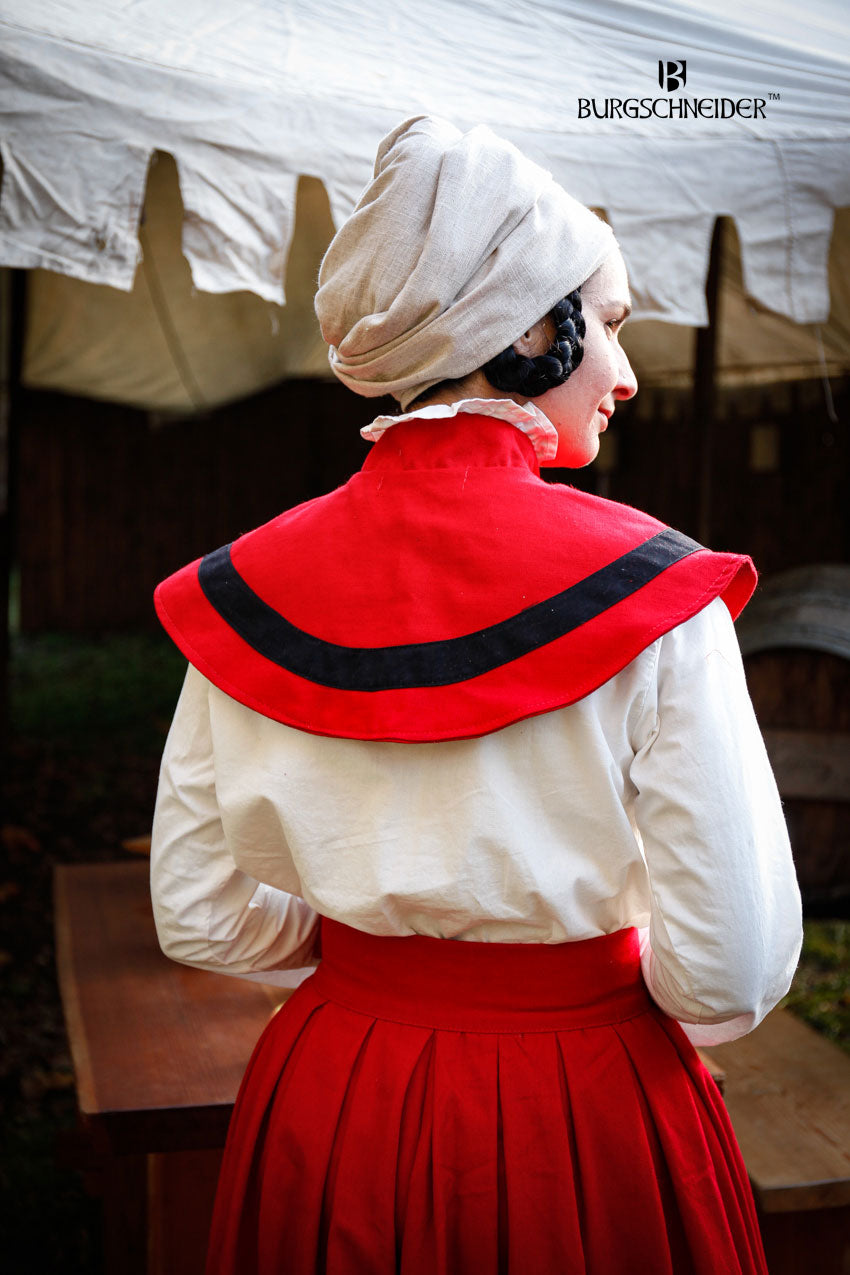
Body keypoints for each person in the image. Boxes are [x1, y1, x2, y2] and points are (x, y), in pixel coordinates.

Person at [150, 116, 802, 1274]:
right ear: (525, 337)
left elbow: (202, 913)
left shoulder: (242, 595)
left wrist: (384, 964)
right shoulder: (659, 596)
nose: (628, 374)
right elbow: (729, 968)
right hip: (581, 1105)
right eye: (603, 326)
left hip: (336, 1093)